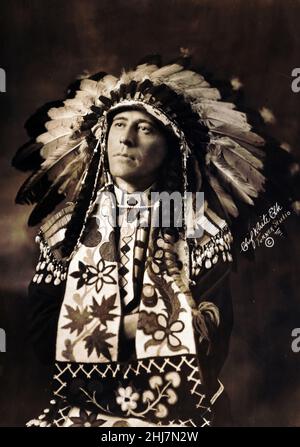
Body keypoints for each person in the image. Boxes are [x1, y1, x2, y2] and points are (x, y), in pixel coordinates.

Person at [13, 55, 267, 427]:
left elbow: (213, 338)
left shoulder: (200, 230)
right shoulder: (67, 232)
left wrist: (120, 335)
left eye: (145, 128)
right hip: (84, 407)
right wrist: (127, 330)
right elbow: (41, 336)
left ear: (172, 146)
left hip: (181, 412)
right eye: (118, 124)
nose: (126, 139)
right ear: (104, 135)